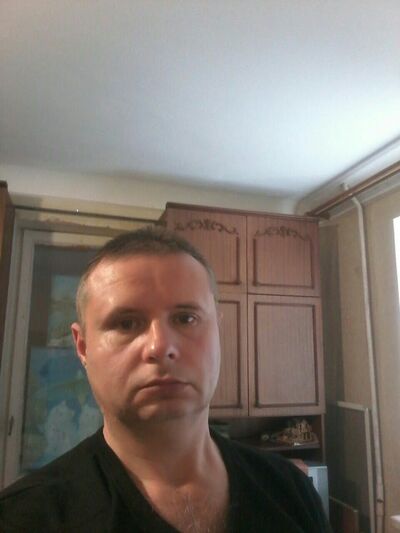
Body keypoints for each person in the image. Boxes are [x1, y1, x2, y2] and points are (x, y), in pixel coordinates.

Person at [0, 226, 331, 532]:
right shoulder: (23, 518)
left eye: (186, 318)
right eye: (127, 323)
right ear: (83, 347)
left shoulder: (291, 490)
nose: (160, 346)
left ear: (217, 331)